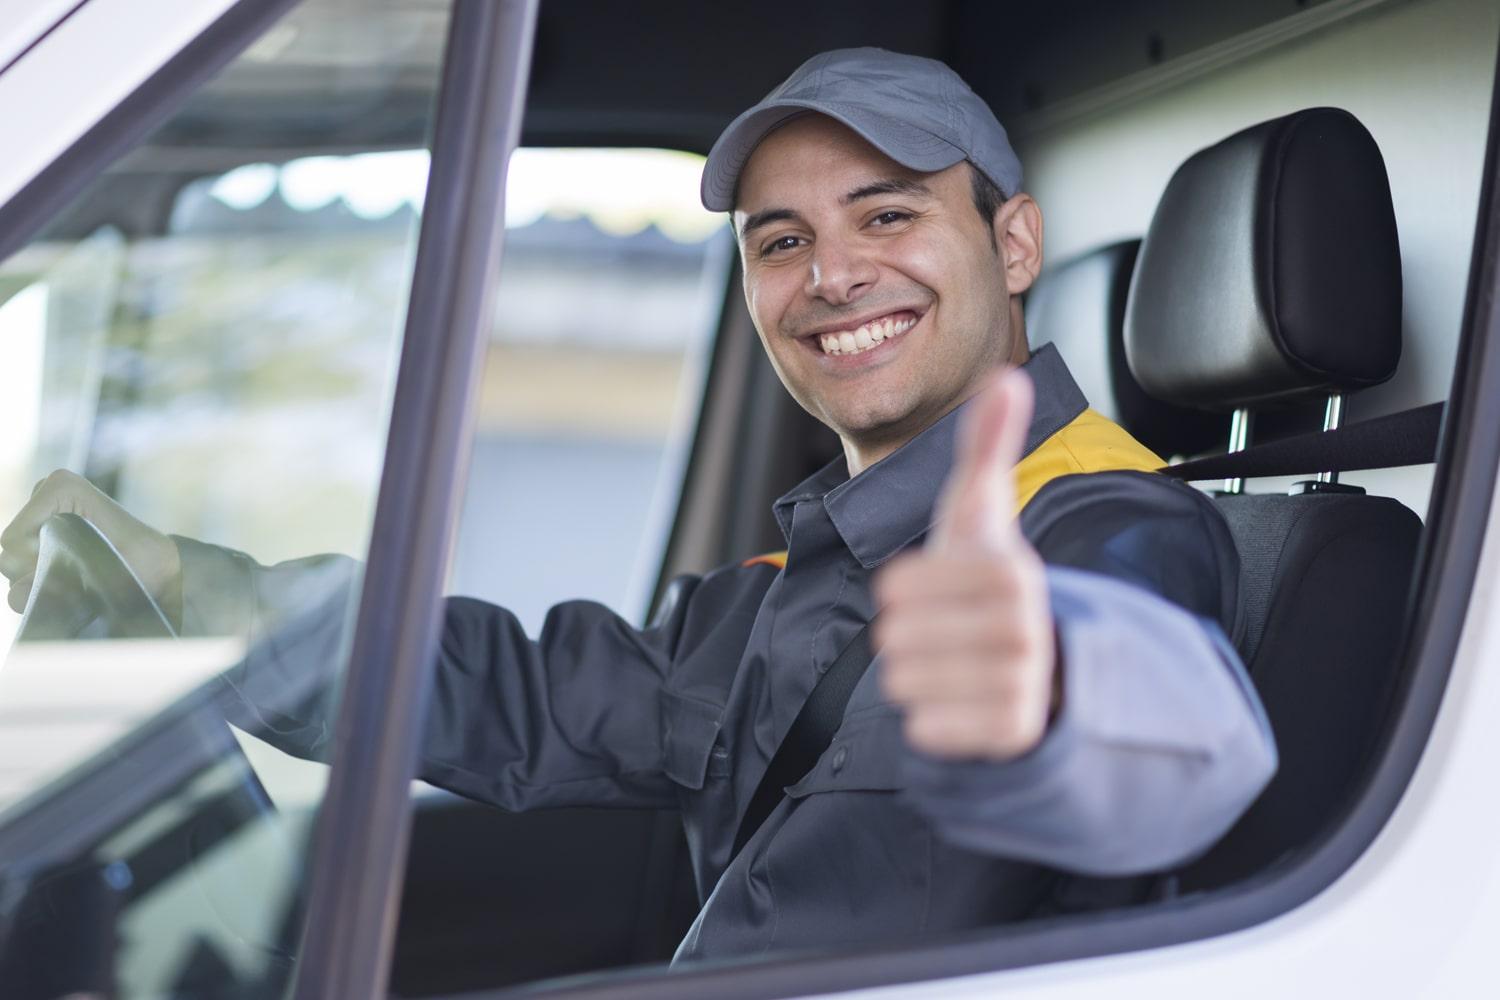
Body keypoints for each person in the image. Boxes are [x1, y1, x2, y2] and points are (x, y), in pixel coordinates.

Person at [0, 48, 1274, 960]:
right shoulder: (814, 568)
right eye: (780, 242)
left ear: (1013, 246)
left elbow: (1162, 729)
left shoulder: (1101, 526)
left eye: (887, 214)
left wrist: (1054, 694)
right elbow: (529, 694)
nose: (832, 273)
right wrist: (199, 591)